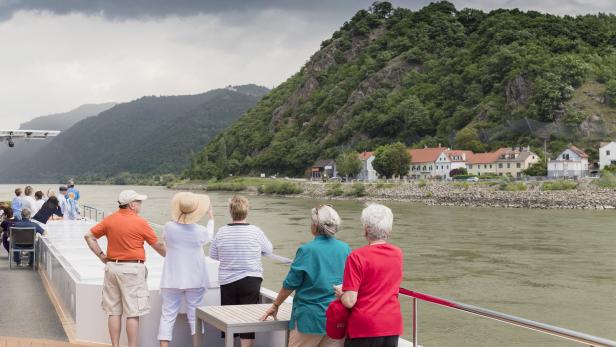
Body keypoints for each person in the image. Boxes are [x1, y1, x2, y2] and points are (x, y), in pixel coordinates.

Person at [83, 190, 166, 347]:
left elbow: (89, 236)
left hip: (112, 268)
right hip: (132, 270)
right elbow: (158, 246)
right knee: (133, 313)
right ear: (132, 205)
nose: (141, 205)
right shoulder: (140, 222)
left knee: (114, 311)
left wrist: (101, 255)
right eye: (139, 202)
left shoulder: (109, 220)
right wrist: (171, 256)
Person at [261, 205, 350, 347]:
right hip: (336, 318)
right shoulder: (345, 249)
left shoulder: (306, 250)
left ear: (314, 226)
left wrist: (275, 305)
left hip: (309, 320)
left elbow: (290, 284)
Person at [209, 195, 273, 347]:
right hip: (251, 279)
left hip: (228, 280)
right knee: (248, 320)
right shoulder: (255, 231)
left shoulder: (221, 232)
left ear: (230, 211)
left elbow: (213, 255)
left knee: (229, 319)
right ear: (247, 211)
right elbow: (269, 250)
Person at [336, 204, 403, 347]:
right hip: (391, 324)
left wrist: (341, 293)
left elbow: (349, 301)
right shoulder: (398, 253)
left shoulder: (356, 256)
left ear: (366, 230)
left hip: (365, 327)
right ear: (389, 230)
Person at [158, 192, 214, 347]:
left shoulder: (169, 228)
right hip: (195, 278)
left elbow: (166, 236)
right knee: (194, 316)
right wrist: (211, 218)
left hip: (171, 278)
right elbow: (208, 237)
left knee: (167, 316)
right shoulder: (200, 231)